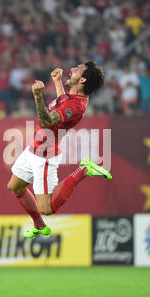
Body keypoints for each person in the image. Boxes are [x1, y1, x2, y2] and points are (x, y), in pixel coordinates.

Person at [7, 61, 112, 238]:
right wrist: (57, 83)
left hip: (45, 155)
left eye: (78, 70)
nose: (72, 70)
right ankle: (39, 226)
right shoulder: (73, 97)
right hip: (34, 148)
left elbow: (47, 121)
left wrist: (38, 96)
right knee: (15, 186)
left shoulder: (77, 105)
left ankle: (84, 170)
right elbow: (62, 104)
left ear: (83, 79)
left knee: (46, 208)